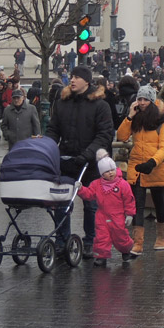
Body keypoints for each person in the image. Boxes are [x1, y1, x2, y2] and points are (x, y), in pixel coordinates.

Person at [46, 66, 114, 258]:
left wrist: (87, 154)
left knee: (91, 204)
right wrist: (48, 148)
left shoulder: (100, 105)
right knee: (62, 201)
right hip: (66, 159)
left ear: (87, 81)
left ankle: (91, 241)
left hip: (90, 163)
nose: (72, 80)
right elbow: (53, 130)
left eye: (77, 77)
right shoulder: (62, 103)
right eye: (72, 77)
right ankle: (62, 241)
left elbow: (104, 135)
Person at [116, 85, 164, 255]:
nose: (141, 102)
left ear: (152, 100)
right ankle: (137, 243)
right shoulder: (136, 119)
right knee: (137, 206)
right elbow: (121, 136)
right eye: (139, 99)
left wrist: (152, 162)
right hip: (137, 168)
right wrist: (129, 116)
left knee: (158, 203)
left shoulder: (162, 121)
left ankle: (162, 237)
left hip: (155, 168)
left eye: (145, 99)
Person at [76, 149, 136, 267]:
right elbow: (89, 194)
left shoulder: (123, 184)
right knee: (101, 237)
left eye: (112, 170)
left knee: (121, 236)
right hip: (102, 216)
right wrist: (81, 189)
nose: (111, 173)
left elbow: (129, 200)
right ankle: (101, 257)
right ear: (102, 173)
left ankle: (126, 250)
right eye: (107, 171)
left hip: (117, 216)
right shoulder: (96, 184)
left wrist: (129, 214)